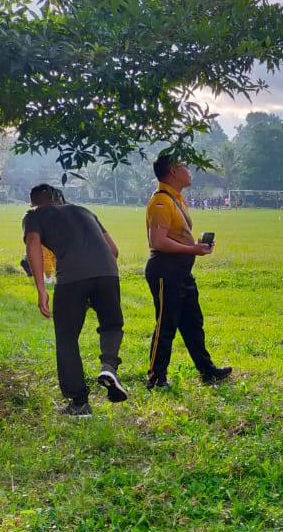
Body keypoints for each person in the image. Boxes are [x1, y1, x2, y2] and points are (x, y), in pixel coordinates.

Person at [23, 183, 127, 417]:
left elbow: (32, 244)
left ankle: (79, 403)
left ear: (34, 202)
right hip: (108, 273)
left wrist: (41, 289)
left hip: (71, 278)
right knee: (111, 324)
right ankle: (109, 366)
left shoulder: (34, 215)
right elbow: (113, 250)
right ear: (58, 198)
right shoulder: (84, 210)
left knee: (67, 338)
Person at [144, 154, 232, 389]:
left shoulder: (177, 199)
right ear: (173, 171)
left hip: (181, 270)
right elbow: (158, 241)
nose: (189, 170)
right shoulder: (161, 202)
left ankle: (207, 370)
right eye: (184, 166)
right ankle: (156, 377)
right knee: (166, 324)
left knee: (193, 322)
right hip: (165, 270)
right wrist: (192, 248)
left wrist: (196, 246)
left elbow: (175, 237)